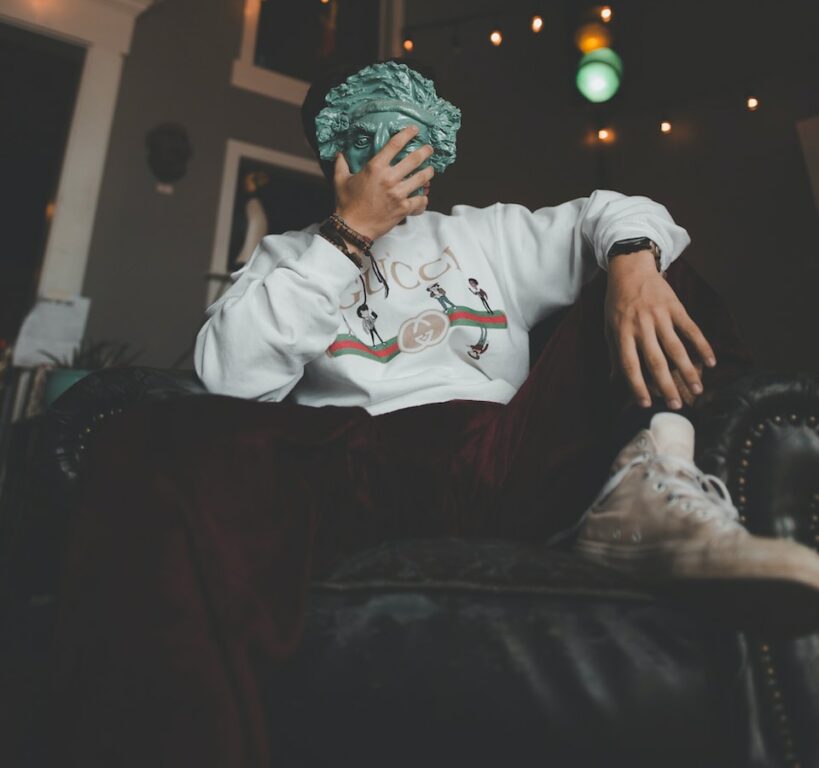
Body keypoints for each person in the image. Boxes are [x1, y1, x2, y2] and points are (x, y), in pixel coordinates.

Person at [56, 59, 819, 768]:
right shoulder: (289, 257)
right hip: (361, 473)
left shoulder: (481, 234)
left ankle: (652, 482)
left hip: (502, 458)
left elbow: (613, 209)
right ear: (336, 152)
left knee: (650, 257)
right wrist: (349, 233)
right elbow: (226, 381)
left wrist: (630, 265)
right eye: (372, 131)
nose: (395, 145)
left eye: (410, 130)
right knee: (157, 434)